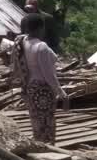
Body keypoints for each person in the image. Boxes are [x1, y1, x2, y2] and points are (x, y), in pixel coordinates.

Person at [13, 14, 67, 143]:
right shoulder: (41, 46)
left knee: (37, 123)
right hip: (43, 90)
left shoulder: (22, 41)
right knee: (47, 123)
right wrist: (62, 93)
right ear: (40, 28)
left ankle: (39, 147)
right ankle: (48, 151)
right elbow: (49, 75)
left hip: (30, 88)